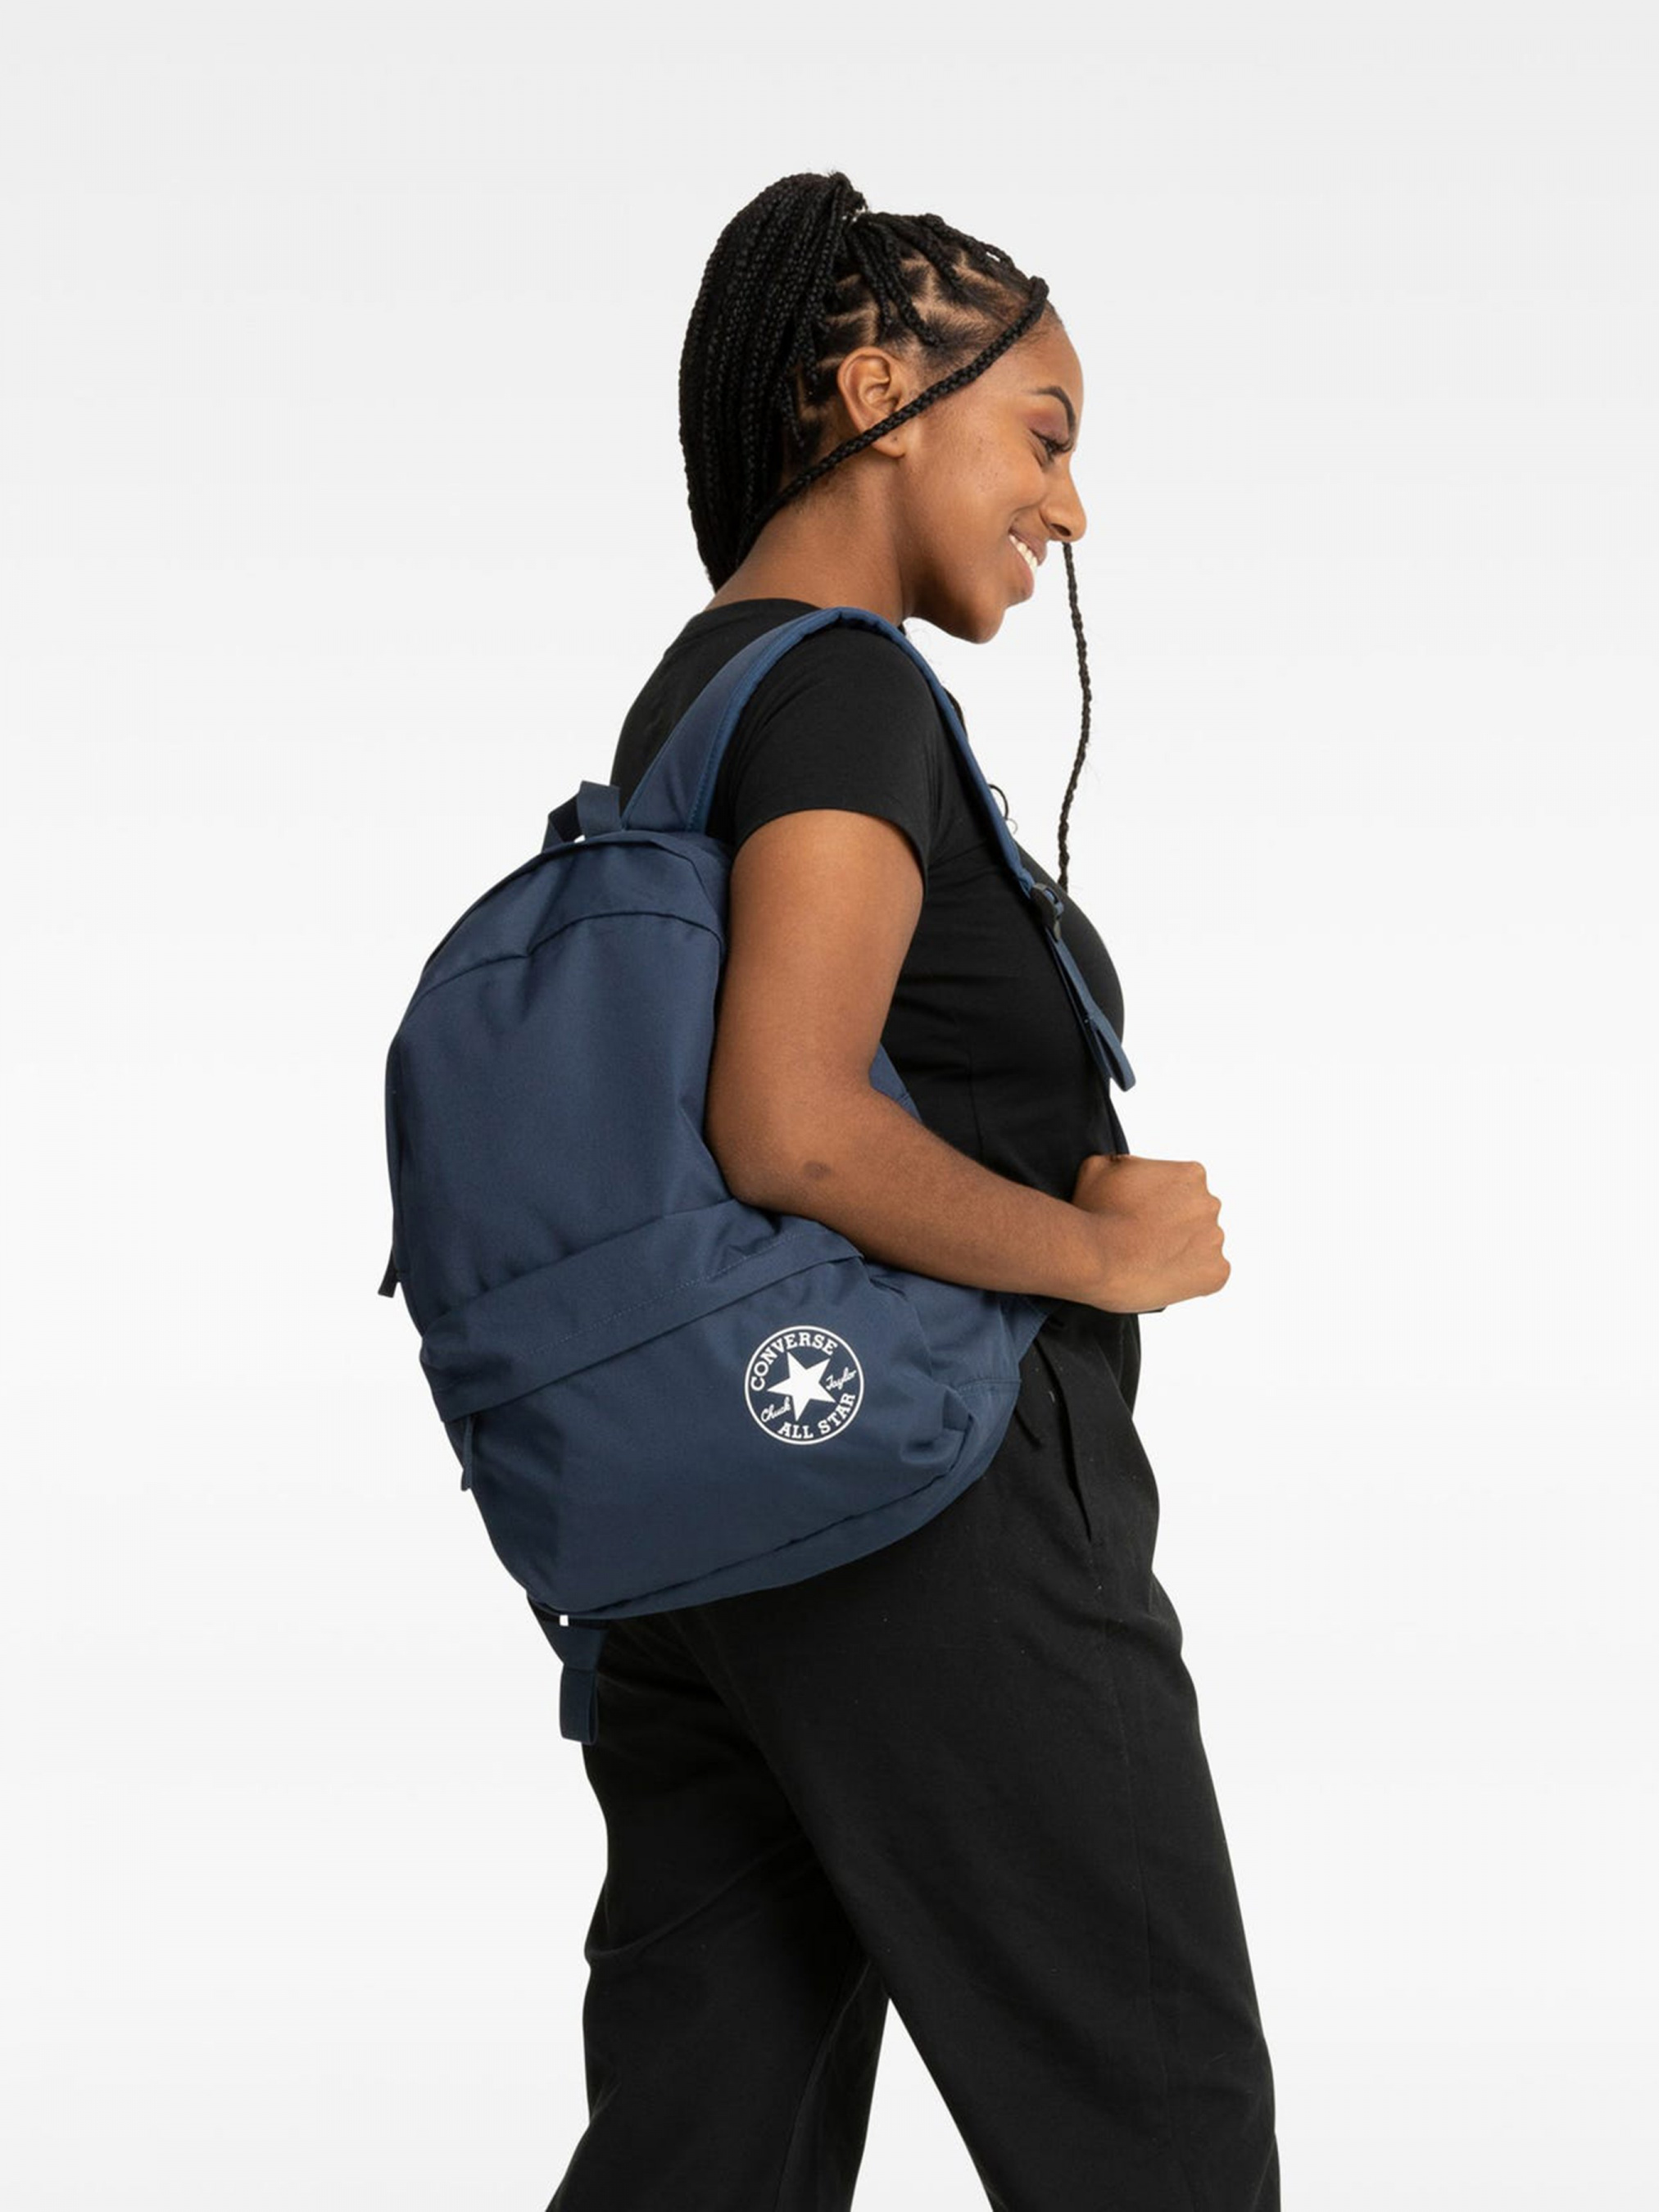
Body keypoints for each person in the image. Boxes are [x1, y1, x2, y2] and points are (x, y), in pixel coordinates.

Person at [546, 170, 1281, 2212]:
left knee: (705, 2148)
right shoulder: (841, 691)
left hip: (709, 1525)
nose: (1068, 505)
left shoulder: (692, 705)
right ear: (879, 396)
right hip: (924, 1506)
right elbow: (785, 1124)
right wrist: (1099, 1247)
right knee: (1151, 2127)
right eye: (1040, 435)